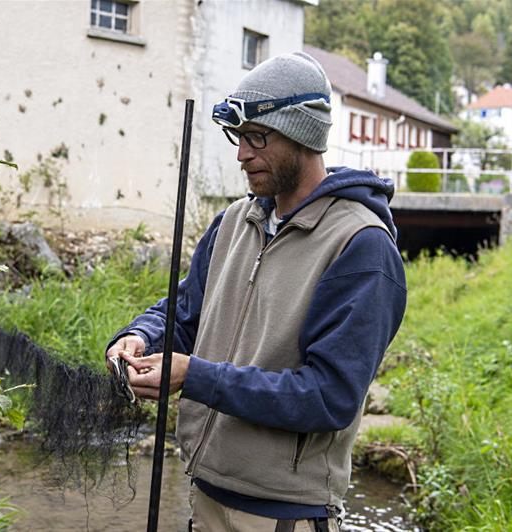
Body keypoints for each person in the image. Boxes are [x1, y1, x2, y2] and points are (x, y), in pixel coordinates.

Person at [105, 52, 407, 532]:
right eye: (239, 138)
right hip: (205, 496)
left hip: (283, 515)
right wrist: (142, 338)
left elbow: (329, 397)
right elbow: (185, 315)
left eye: (256, 138)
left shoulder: (360, 247)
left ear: (303, 134)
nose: (242, 153)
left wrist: (195, 377)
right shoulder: (232, 222)